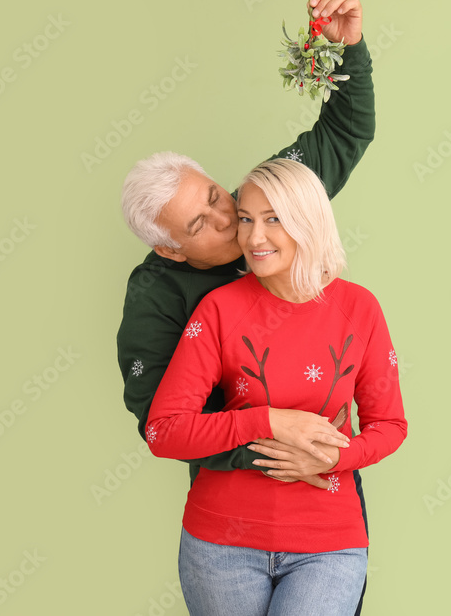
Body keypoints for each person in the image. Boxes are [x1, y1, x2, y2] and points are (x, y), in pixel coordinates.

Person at [116, 0, 376, 612]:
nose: (229, 218)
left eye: (212, 194)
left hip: (323, 498)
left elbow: (346, 129)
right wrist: (270, 440)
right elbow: (159, 416)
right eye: (199, 224)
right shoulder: (158, 296)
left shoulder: (266, 195)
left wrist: (348, 47)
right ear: (172, 252)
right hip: (233, 513)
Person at [145, 158, 407, 615]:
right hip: (220, 545)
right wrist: (270, 421)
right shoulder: (218, 310)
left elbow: (390, 424)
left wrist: (334, 457)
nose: (253, 238)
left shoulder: (359, 308)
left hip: (329, 544)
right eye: (245, 219)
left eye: (274, 219)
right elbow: (164, 431)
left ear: (309, 221)